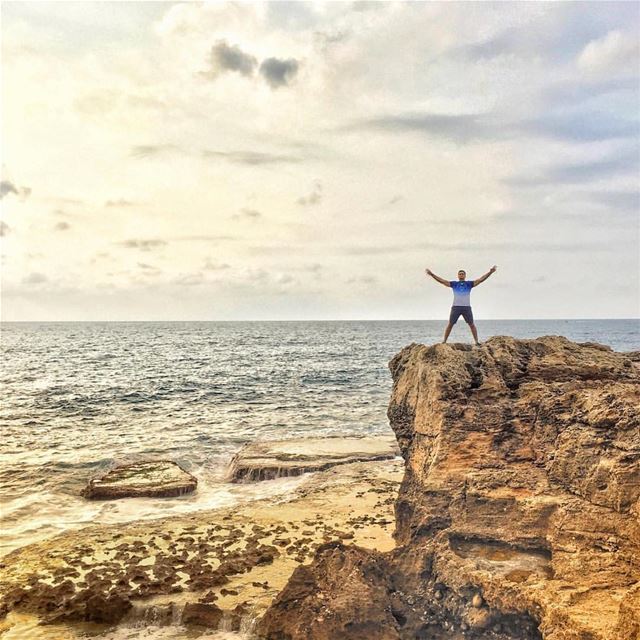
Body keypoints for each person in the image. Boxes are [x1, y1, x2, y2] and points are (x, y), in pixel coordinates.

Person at [425, 265, 497, 345]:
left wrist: (490, 272)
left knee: (472, 324)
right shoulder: (454, 284)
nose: (461, 275)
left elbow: (480, 280)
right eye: (460, 274)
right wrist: (432, 274)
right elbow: (442, 281)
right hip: (456, 307)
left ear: (465, 275)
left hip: (466, 307)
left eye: (463, 274)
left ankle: (476, 341)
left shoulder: (469, 284)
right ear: (458, 276)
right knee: (450, 324)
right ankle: (444, 341)